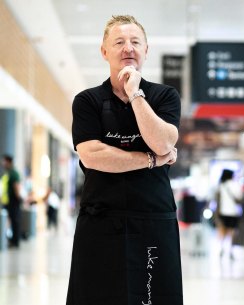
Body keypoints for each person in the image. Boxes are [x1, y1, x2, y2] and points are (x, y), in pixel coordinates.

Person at [67, 15, 182, 305]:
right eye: (119, 42)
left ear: (146, 50)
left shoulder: (165, 96)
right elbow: (93, 156)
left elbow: (164, 141)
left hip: (153, 218)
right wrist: (152, 159)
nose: (128, 48)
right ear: (104, 51)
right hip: (101, 220)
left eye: (135, 42)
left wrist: (135, 94)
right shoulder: (88, 101)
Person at [215, 169, 243, 259]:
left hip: (223, 212)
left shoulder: (221, 186)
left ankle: (222, 248)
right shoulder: (236, 185)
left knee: (223, 231)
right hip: (233, 212)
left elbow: (217, 201)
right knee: (232, 232)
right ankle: (231, 250)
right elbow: (240, 198)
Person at [1, 155, 22, 249]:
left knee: (15, 221)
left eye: (4, 161)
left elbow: (16, 186)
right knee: (8, 221)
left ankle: (15, 241)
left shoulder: (13, 173)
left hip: (13, 202)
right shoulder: (7, 173)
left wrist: (18, 198)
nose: (2, 163)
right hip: (6, 202)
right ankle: (9, 239)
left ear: (8, 162)